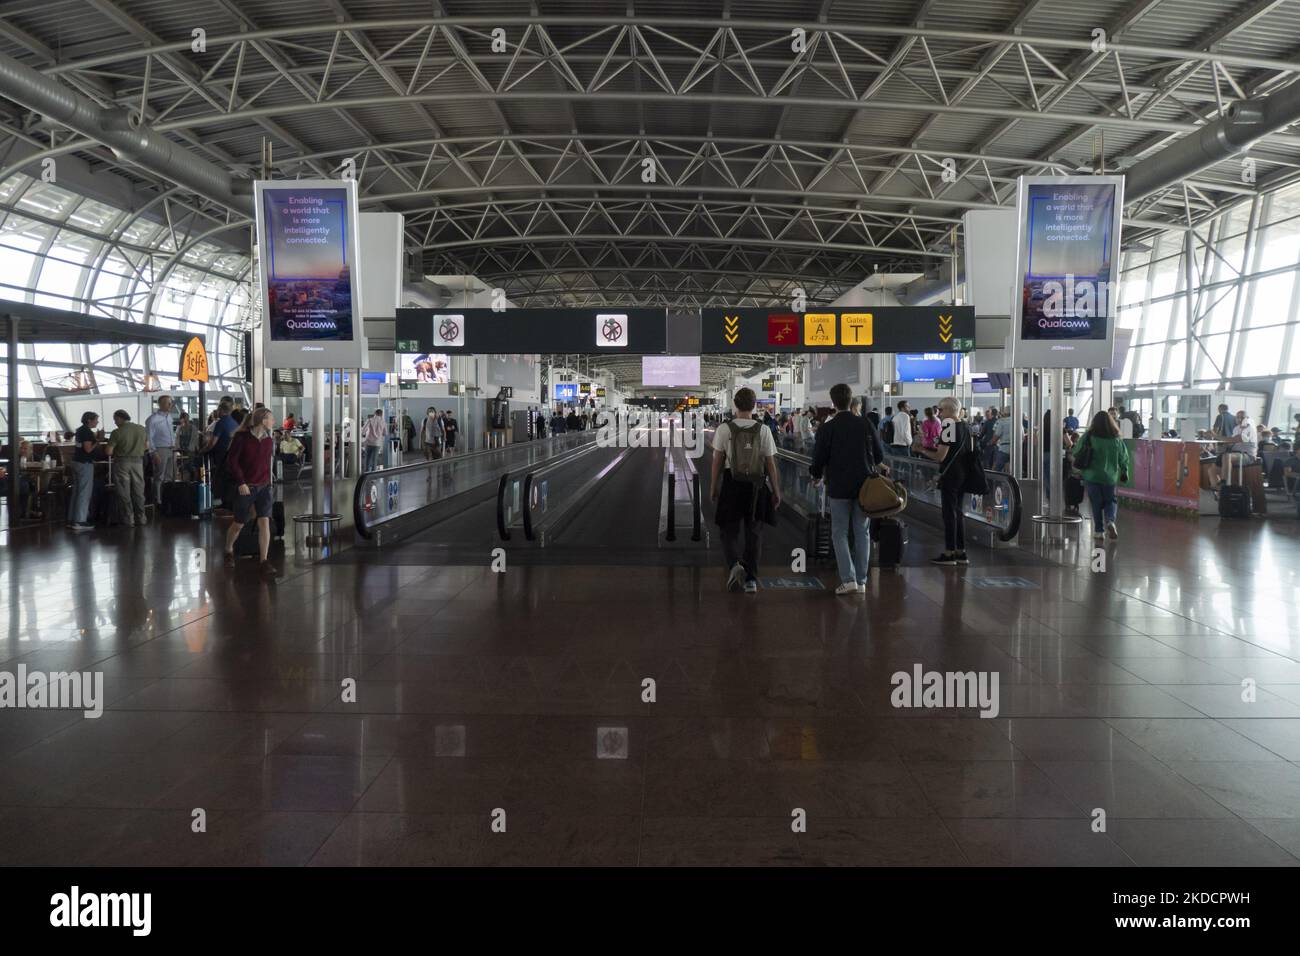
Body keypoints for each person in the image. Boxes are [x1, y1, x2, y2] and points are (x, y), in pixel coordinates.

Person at [810, 383, 886, 595]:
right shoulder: (865, 424)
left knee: (839, 533)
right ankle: (861, 581)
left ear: (833, 402)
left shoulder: (827, 428)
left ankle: (848, 578)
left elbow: (819, 458)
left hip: (838, 486)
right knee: (862, 531)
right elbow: (879, 455)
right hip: (865, 487)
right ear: (851, 400)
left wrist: (816, 475)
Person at [710, 387, 781, 594]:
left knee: (727, 530)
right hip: (757, 487)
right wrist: (776, 490)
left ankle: (735, 565)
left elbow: (717, 461)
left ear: (735, 405)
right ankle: (751, 580)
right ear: (754, 406)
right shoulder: (763, 430)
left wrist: (713, 487)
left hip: (732, 484)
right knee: (754, 533)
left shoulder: (725, 429)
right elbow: (770, 463)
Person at [223, 407, 277, 576]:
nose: (273, 421)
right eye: (271, 418)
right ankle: (228, 549)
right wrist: (241, 482)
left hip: (264, 487)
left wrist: (269, 482)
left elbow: (267, 463)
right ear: (262, 420)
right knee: (239, 523)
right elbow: (233, 461)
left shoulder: (269, 440)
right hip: (247, 486)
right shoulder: (242, 438)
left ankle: (264, 560)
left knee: (264, 522)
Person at [918, 396, 972, 566]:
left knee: (949, 513)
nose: (939, 413)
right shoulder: (965, 426)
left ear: (949, 410)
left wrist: (921, 449)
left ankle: (949, 553)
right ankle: (961, 551)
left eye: (940, 410)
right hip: (964, 474)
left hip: (951, 476)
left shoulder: (949, 426)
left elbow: (940, 456)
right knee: (958, 513)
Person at [1072, 410, 1130, 541]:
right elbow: (1124, 457)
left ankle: (1099, 531)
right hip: (1110, 477)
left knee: (1096, 503)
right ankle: (1110, 521)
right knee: (1111, 500)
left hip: (1091, 475)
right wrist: (1124, 472)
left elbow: (1076, 451)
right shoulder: (1116, 439)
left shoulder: (1089, 436)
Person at [106, 409, 149, 526]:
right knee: (139, 491)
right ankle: (141, 517)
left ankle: (129, 518)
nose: (115, 422)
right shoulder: (141, 429)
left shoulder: (117, 432)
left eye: (115, 420)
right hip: (138, 463)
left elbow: (109, 451)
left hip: (122, 464)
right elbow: (146, 446)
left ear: (120, 418)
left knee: (124, 491)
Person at [67, 411, 99, 532]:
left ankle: (72, 519)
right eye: (96, 420)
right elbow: (88, 449)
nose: (97, 422)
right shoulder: (86, 432)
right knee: (84, 492)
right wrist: (97, 441)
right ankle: (80, 521)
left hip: (76, 462)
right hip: (84, 463)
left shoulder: (79, 430)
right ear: (89, 420)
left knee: (76, 491)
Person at [144, 395, 176, 505]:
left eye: (171, 403)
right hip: (160, 449)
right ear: (161, 404)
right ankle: (158, 500)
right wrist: (153, 453)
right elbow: (149, 437)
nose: (170, 405)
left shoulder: (169, 417)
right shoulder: (152, 419)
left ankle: (167, 498)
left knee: (170, 475)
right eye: (168, 403)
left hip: (172, 449)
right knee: (159, 476)